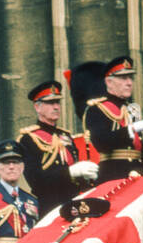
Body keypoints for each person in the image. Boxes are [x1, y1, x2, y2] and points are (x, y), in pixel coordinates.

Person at [16, 80, 97, 216]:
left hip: (76, 203)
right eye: (50, 103)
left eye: (57, 102)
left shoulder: (65, 135)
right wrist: (69, 172)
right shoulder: (28, 139)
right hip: (51, 206)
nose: (56, 107)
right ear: (37, 107)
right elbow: (36, 181)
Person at [81, 55, 143, 184]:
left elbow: (138, 149)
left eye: (130, 78)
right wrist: (133, 128)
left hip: (137, 175)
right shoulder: (96, 109)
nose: (129, 83)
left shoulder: (132, 110)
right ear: (109, 82)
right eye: (123, 78)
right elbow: (102, 143)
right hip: (113, 176)